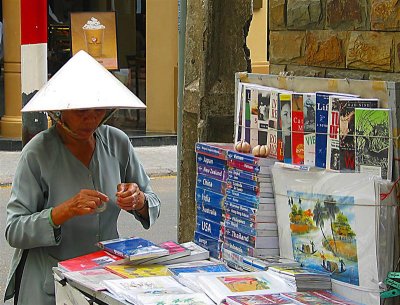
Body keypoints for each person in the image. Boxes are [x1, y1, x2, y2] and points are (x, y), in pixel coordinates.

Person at [4, 50, 161, 305]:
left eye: (98, 110)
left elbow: (152, 201)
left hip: (104, 280)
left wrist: (139, 200)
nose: (91, 118)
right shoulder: (37, 153)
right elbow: (14, 230)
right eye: (81, 111)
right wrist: (63, 211)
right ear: (60, 111)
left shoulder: (117, 142)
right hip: (50, 287)